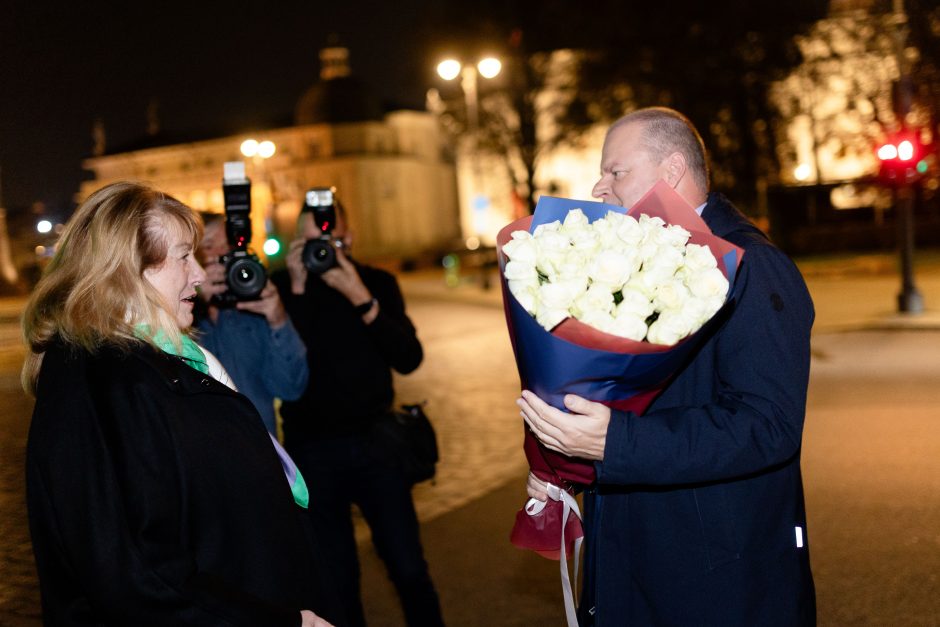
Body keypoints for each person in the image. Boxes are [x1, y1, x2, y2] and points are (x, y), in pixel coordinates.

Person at [518, 107, 816, 626]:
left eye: (616, 171)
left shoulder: (752, 265)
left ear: (672, 169)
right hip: (635, 560)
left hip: (716, 579)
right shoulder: (630, 267)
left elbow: (769, 425)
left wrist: (614, 445)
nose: (599, 186)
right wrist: (570, 466)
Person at [22, 182, 338, 626]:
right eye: (184, 256)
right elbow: (137, 571)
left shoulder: (162, 359)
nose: (199, 273)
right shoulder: (105, 382)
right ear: (128, 270)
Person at [272, 198, 445, 627]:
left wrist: (360, 298)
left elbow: (409, 358)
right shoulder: (280, 289)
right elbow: (288, 365)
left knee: (409, 568)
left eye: (328, 239)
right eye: (310, 242)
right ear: (296, 244)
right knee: (337, 581)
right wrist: (295, 289)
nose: (320, 251)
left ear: (347, 237)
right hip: (312, 449)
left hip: (377, 444)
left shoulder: (377, 283)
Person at [194, 212, 308, 436]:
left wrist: (279, 320)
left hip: (261, 453)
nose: (223, 254)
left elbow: (291, 388)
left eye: (229, 244)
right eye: (209, 246)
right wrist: (197, 304)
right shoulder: (179, 319)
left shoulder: (254, 312)